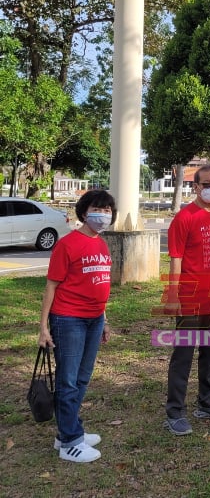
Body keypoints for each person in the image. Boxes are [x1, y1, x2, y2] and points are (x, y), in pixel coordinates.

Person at [38, 189, 116, 463]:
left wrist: (104, 320)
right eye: (98, 209)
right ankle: (71, 440)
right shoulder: (67, 244)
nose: (103, 215)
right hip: (68, 319)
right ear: (84, 212)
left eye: (108, 211)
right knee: (68, 380)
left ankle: (66, 432)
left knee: (82, 378)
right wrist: (43, 327)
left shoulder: (101, 245)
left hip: (94, 320)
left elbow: (100, 285)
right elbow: (51, 285)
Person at [164, 164, 210, 436]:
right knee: (183, 356)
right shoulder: (184, 218)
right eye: (207, 184)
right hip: (191, 300)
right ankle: (175, 411)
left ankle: (207, 402)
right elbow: (176, 259)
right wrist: (172, 296)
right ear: (196, 187)